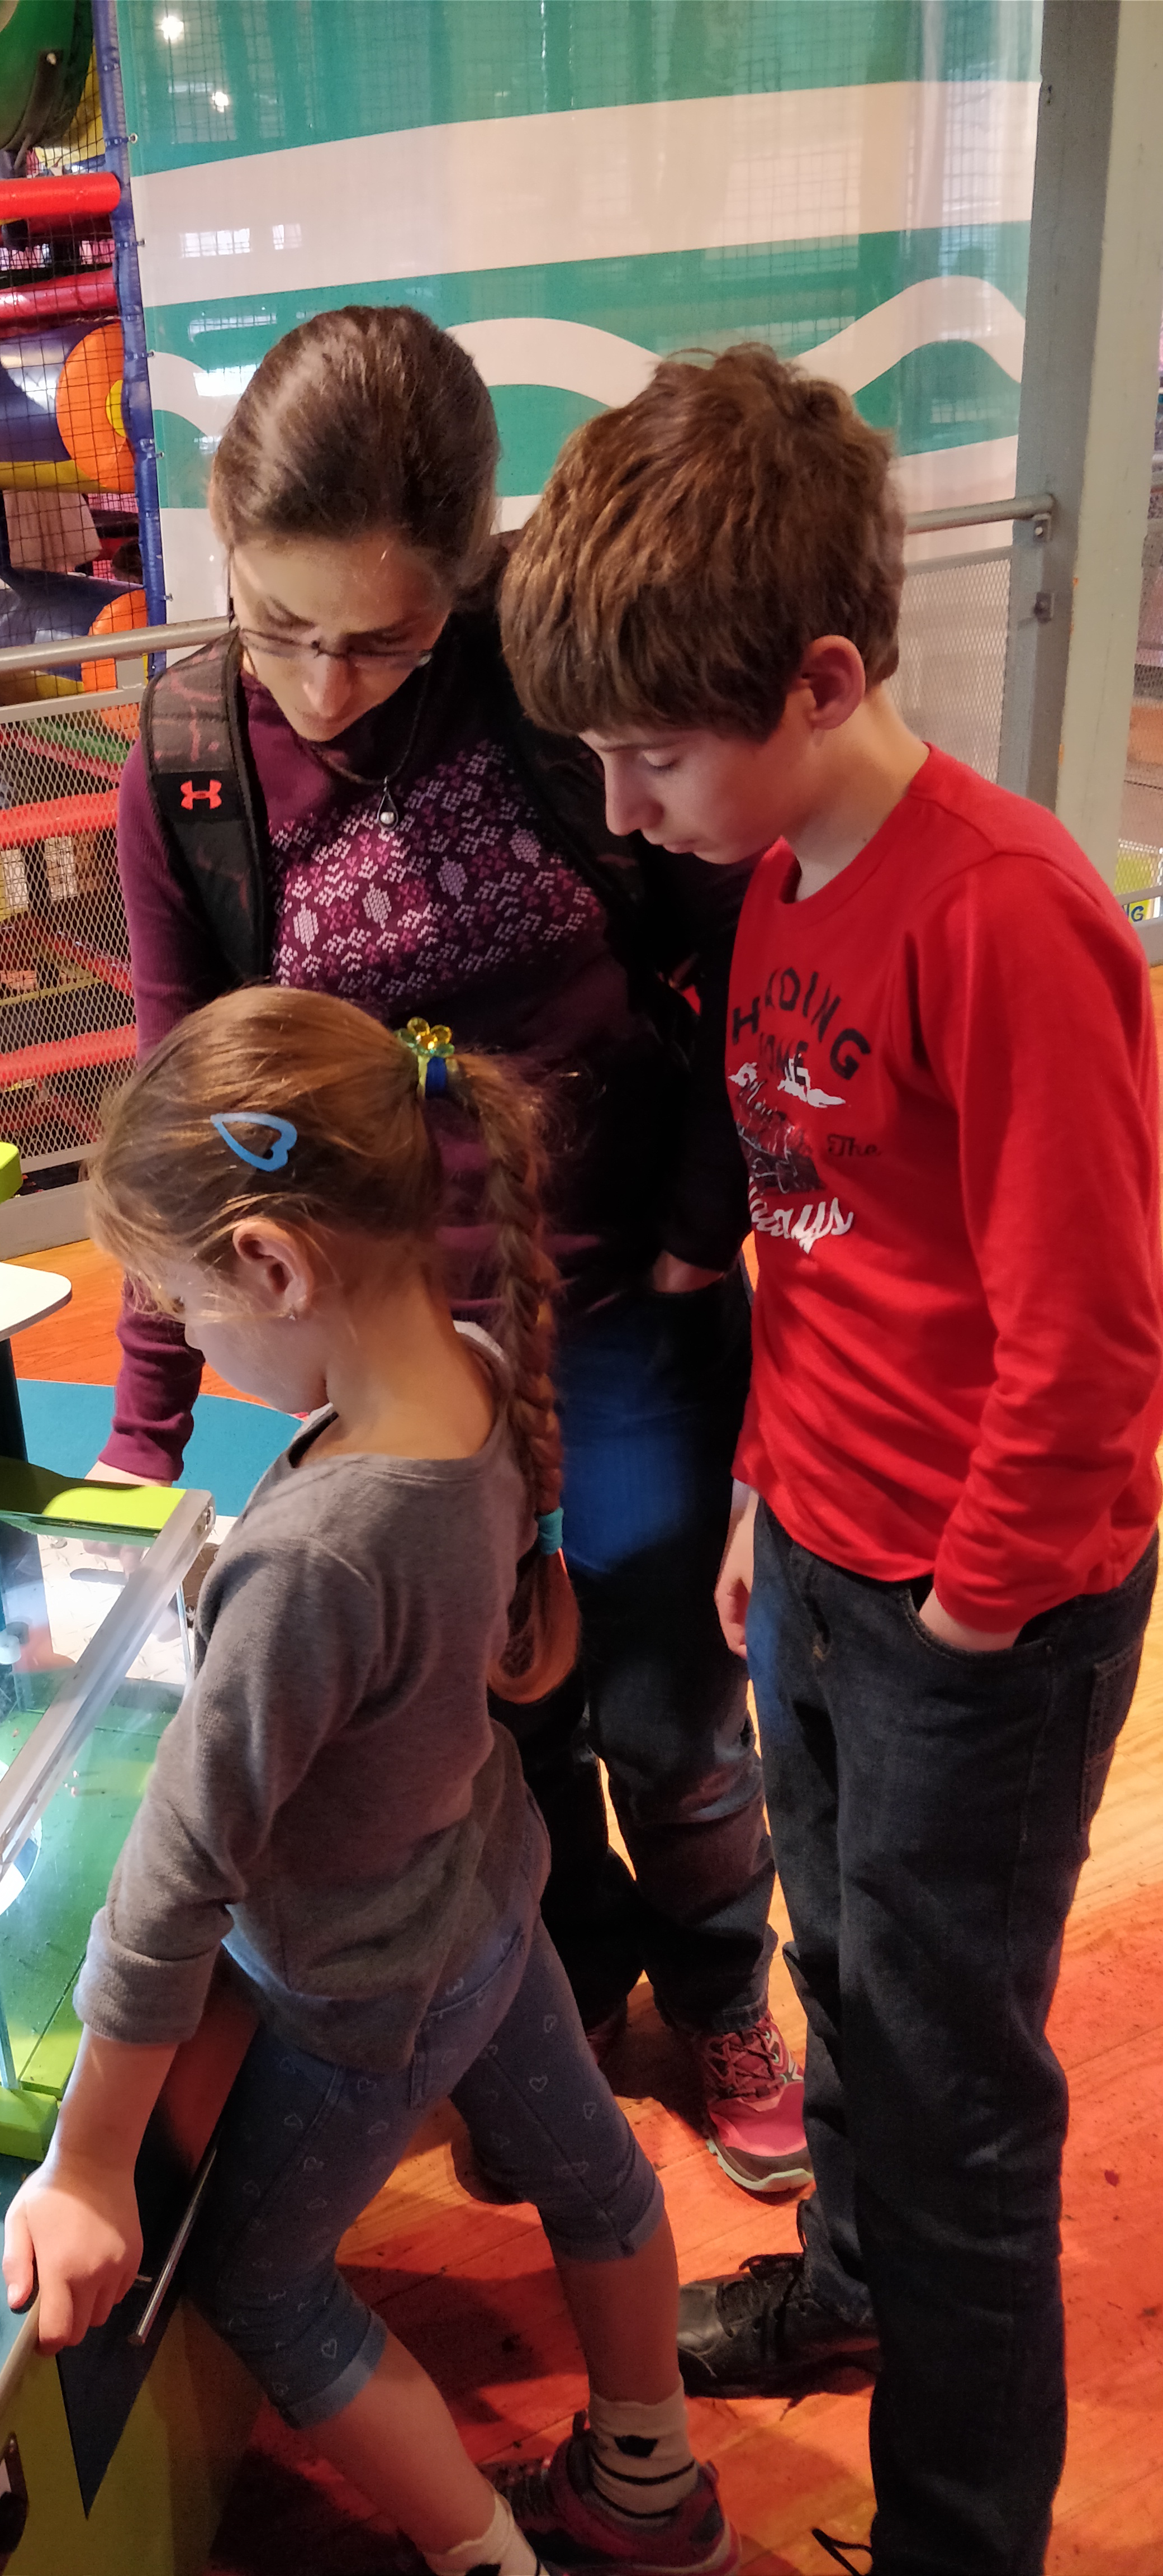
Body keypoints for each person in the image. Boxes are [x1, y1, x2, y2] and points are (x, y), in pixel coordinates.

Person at [501, 342, 1163, 2575]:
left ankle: (959, 2531)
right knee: (849, 1982)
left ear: (821, 675)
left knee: (957, 2092)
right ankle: (848, 2292)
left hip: (987, 1609)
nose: (625, 813)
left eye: (652, 755)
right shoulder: (781, 872)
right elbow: (825, 1240)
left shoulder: (1008, 914)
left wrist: (967, 1613)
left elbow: (1090, 1342)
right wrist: (771, 1493)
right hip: (822, 1550)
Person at [92, 304, 805, 2195]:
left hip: (623, 1295)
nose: (325, 684)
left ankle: (722, 1988)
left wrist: (696, 1233)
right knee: (492, 1708)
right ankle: (557, 1999)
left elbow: (737, 955)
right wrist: (142, 1435)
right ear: (222, 541)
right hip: (400, 1345)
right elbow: (181, 1104)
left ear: (465, 581)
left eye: (384, 638)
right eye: (279, 625)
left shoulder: (555, 685)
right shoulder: (189, 759)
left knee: (669, 1700)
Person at [6, 984, 739, 2576]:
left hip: (362, 1989)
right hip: (486, 1896)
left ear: (275, 1266)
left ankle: (487, 2557)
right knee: (593, 2178)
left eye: (184, 1307)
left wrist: (87, 2167)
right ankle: (649, 2486)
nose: (192, 1343)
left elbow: (175, 1883)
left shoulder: (319, 1559)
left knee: (263, 2286)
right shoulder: (471, 1364)